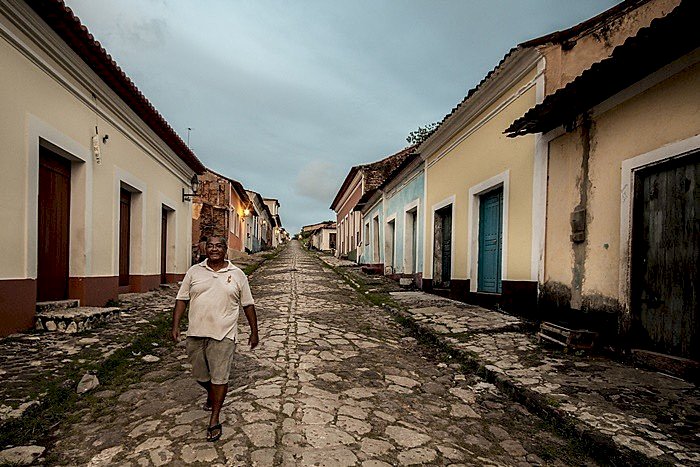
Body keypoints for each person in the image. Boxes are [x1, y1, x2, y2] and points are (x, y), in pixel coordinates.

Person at [172, 236, 259, 442]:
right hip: (195, 332)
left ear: (225, 249)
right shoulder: (194, 271)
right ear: (205, 249)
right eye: (210, 246)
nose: (214, 249)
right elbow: (182, 299)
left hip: (224, 334)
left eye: (219, 246)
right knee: (200, 375)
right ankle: (212, 394)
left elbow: (248, 304)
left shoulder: (237, 274)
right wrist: (175, 325)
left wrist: (254, 331)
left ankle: (214, 417)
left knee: (220, 377)